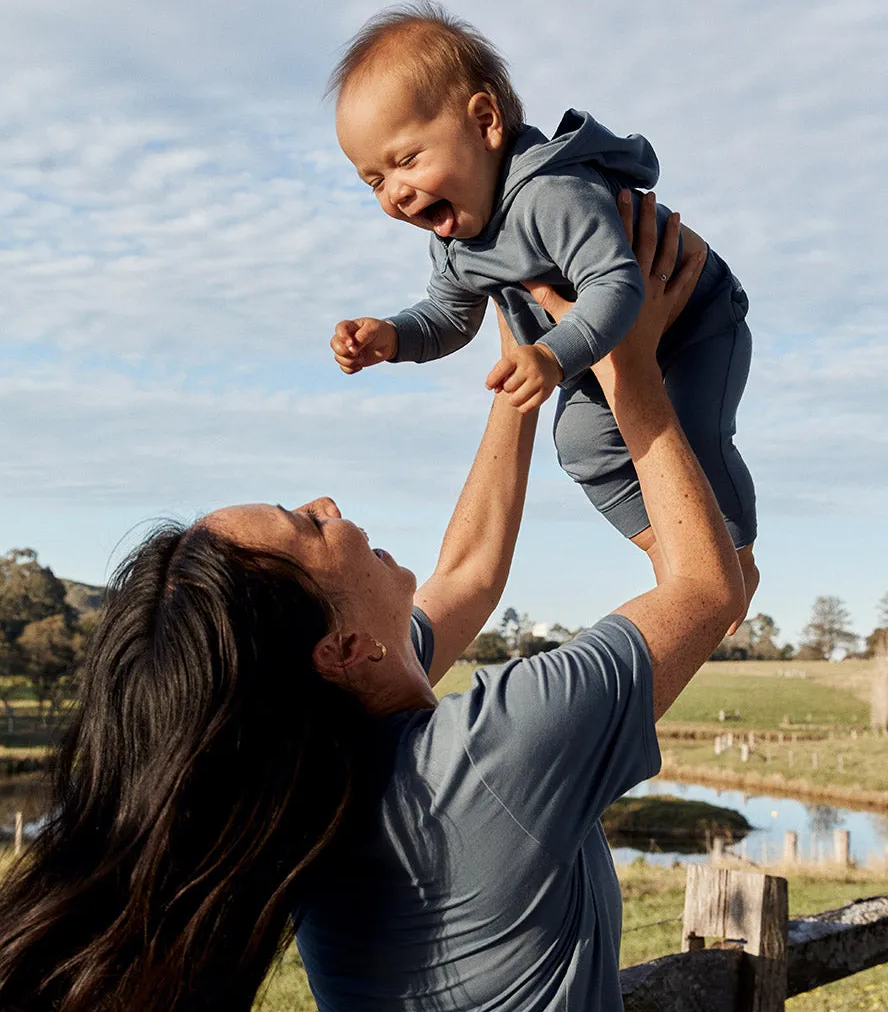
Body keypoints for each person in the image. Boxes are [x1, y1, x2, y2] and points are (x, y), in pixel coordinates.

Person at [0, 195, 743, 1012]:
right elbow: (709, 591)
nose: (327, 503)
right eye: (307, 525)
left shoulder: (324, 775)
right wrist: (628, 361)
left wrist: (519, 360)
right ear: (343, 650)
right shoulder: (491, 755)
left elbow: (467, 574)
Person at [327, 1, 759, 626]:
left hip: (695, 319)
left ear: (484, 122)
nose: (395, 192)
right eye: (373, 181)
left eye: (406, 160)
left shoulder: (552, 195)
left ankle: (733, 553)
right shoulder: (455, 242)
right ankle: (678, 552)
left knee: (695, 430)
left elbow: (615, 284)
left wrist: (552, 355)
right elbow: (450, 319)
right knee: (580, 443)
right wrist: (392, 337)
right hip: (591, 348)